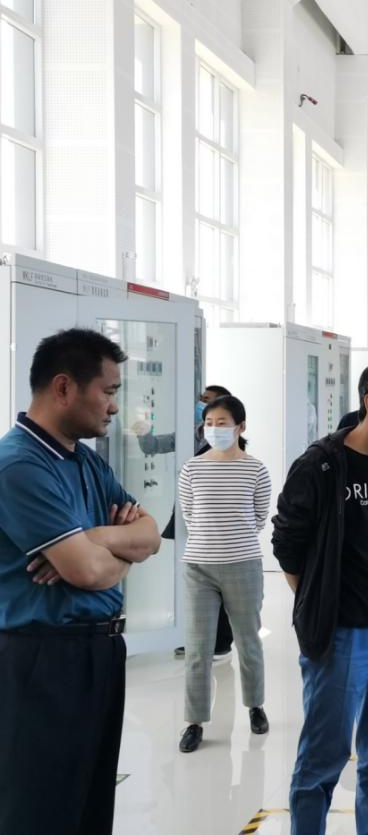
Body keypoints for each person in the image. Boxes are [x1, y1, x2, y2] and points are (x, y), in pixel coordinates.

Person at [0, 328, 161, 834]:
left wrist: (92, 537)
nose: (114, 407)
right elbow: (87, 571)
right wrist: (116, 551)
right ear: (64, 387)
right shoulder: (19, 465)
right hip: (43, 659)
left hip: (99, 654)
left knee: (89, 804)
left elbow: (151, 534)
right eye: (109, 391)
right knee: (41, 809)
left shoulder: (85, 461)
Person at [273, 361, 368, 835]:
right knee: (325, 753)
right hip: (340, 633)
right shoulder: (320, 465)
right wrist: (316, 600)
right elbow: (287, 544)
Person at [177, 395, 272, 753]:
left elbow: (259, 517)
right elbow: (189, 514)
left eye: (222, 423)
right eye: (209, 423)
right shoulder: (192, 468)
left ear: (240, 427)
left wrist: (232, 540)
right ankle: (194, 721)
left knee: (248, 641)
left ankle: (256, 705)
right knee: (198, 648)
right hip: (198, 567)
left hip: (243, 564)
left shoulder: (256, 470)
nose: (214, 429)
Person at [135, 383, 236, 661]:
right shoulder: (189, 433)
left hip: (217, 522)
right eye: (201, 400)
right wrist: (143, 431)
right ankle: (193, 636)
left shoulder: (231, 443)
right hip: (189, 515)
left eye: (209, 400)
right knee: (196, 581)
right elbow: (153, 446)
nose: (202, 404)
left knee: (219, 582)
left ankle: (221, 642)